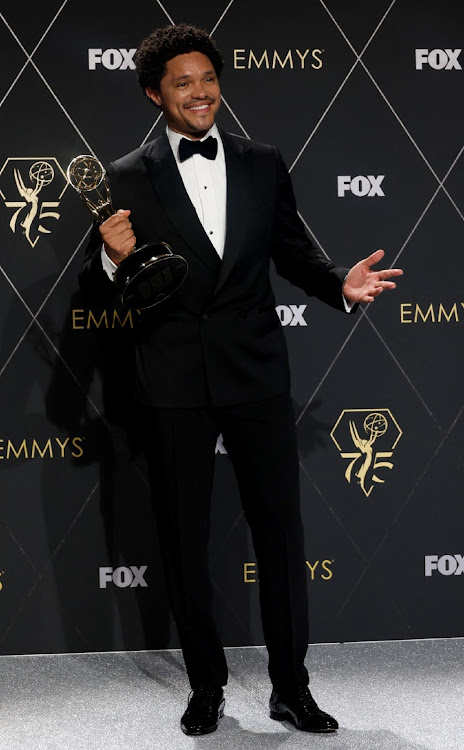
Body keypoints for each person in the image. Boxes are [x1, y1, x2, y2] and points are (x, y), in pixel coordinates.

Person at [79, 23, 402, 736]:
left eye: (208, 79)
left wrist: (338, 285)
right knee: (184, 537)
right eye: (183, 83)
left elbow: (292, 250)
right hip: (173, 380)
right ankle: (206, 686)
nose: (200, 93)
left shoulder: (262, 162)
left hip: (255, 371)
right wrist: (111, 259)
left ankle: (292, 688)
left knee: (281, 536)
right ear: (153, 94)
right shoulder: (126, 175)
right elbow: (107, 295)